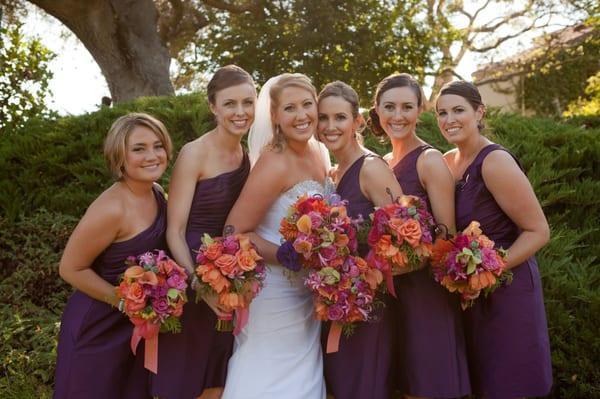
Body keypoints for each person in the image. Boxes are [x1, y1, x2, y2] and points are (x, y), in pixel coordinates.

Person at [436, 80, 552, 399]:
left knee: (509, 384)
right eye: (441, 113)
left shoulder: (494, 161)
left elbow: (538, 230)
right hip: (469, 293)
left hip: (508, 289)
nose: (449, 120)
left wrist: (489, 269)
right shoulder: (446, 161)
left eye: (458, 110)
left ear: (479, 112)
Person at [221, 73, 330, 399]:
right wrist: (285, 254)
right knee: (270, 373)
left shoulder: (320, 151)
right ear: (275, 117)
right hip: (275, 292)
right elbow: (233, 231)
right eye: (290, 108)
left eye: (307, 105)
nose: (301, 115)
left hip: (309, 291)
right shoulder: (274, 161)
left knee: (304, 375)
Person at [153, 65, 255, 399]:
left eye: (247, 102)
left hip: (229, 274)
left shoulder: (247, 154)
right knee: (185, 376)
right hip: (191, 273)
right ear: (213, 106)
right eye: (230, 104)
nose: (240, 112)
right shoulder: (194, 153)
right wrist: (199, 283)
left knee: (217, 376)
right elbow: (174, 230)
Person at [54, 113, 172, 399]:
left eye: (158, 145)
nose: (152, 155)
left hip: (132, 329)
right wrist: (125, 303)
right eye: (139, 148)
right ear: (119, 157)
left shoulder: (156, 193)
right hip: (96, 327)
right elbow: (70, 268)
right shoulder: (111, 208)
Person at [368, 73, 471, 399]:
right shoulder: (382, 163)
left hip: (426, 297)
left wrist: (402, 264)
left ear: (420, 110)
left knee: (426, 386)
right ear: (377, 109)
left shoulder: (430, 161)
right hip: (392, 299)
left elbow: (448, 240)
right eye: (389, 107)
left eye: (406, 107)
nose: (397, 116)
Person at [316, 81, 402, 399]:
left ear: (359, 121)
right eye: (322, 118)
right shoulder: (333, 173)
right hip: (336, 304)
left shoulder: (371, 169)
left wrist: (363, 277)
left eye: (339, 117)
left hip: (369, 309)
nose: (330, 126)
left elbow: (408, 242)